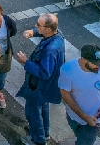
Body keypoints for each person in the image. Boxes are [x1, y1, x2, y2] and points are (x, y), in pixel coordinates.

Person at [16, 13, 65, 145]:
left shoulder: (50, 50)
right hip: (48, 87)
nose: (36, 26)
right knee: (43, 107)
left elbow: (44, 73)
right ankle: (45, 133)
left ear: (48, 29)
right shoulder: (58, 35)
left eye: (39, 25)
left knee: (33, 113)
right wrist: (33, 32)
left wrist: (26, 62)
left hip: (38, 86)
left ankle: (37, 139)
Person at [59, 44, 100, 145]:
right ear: (83, 59)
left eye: (99, 62)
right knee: (79, 135)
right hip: (73, 116)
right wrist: (84, 117)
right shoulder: (67, 70)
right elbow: (66, 95)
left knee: (85, 142)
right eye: (95, 63)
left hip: (94, 119)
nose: (98, 66)